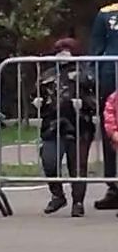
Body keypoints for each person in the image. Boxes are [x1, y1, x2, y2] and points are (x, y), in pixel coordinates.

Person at [37, 38, 93, 217]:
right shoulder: (48, 74)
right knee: (49, 160)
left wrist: (84, 103)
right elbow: (37, 94)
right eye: (59, 50)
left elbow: (97, 96)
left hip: (79, 125)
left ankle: (78, 202)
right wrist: (37, 102)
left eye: (66, 50)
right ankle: (57, 195)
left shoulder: (85, 72)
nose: (62, 54)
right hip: (52, 125)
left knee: (77, 165)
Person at [87, 0, 118, 209]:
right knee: (111, 133)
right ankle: (114, 186)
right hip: (111, 78)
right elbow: (96, 50)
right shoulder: (107, 13)